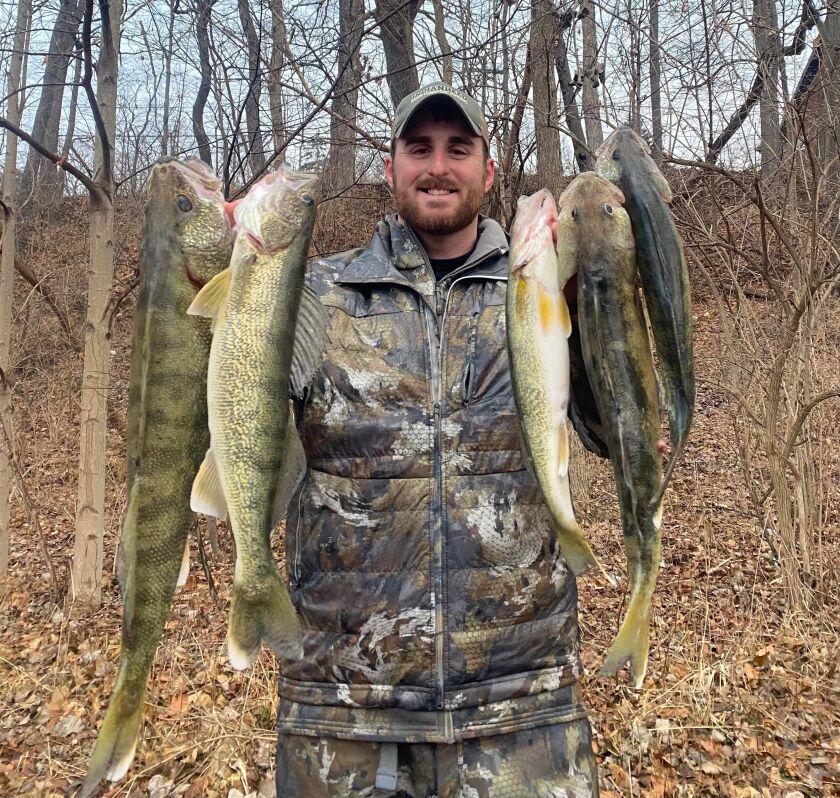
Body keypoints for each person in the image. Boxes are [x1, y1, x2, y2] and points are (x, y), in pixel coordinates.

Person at [275, 82, 602, 797]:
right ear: (389, 168)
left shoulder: (543, 288)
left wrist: (602, 301)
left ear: (489, 170)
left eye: (459, 148)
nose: (437, 166)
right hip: (345, 714)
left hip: (520, 709)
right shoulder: (314, 294)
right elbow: (239, 442)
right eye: (417, 148)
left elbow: (608, 427)